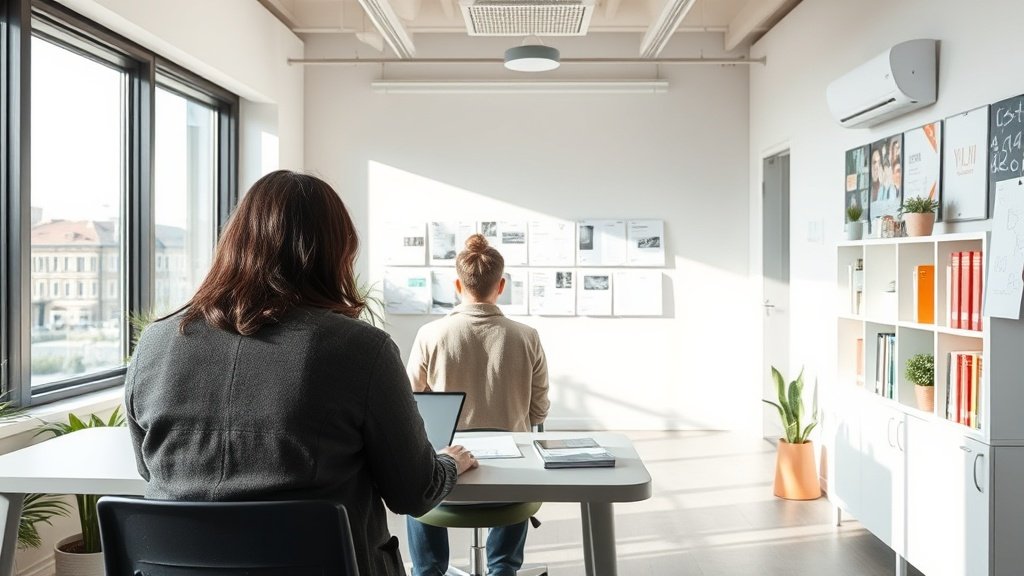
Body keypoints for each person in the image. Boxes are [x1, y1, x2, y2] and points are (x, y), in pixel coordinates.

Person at [124, 170, 477, 576]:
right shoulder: (361, 348)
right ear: (336, 254)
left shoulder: (155, 342)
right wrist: (448, 461)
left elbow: (149, 469)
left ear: (233, 243)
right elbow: (414, 492)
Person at [405, 234, 550, 576]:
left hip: (444, 485)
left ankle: (428, 570)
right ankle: (502, 568)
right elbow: (540, 410)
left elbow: (410, 405)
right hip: (512, 488)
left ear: (457, 284)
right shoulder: (527, 336)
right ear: (501, 285)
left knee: (417, 475)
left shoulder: (431, 334)